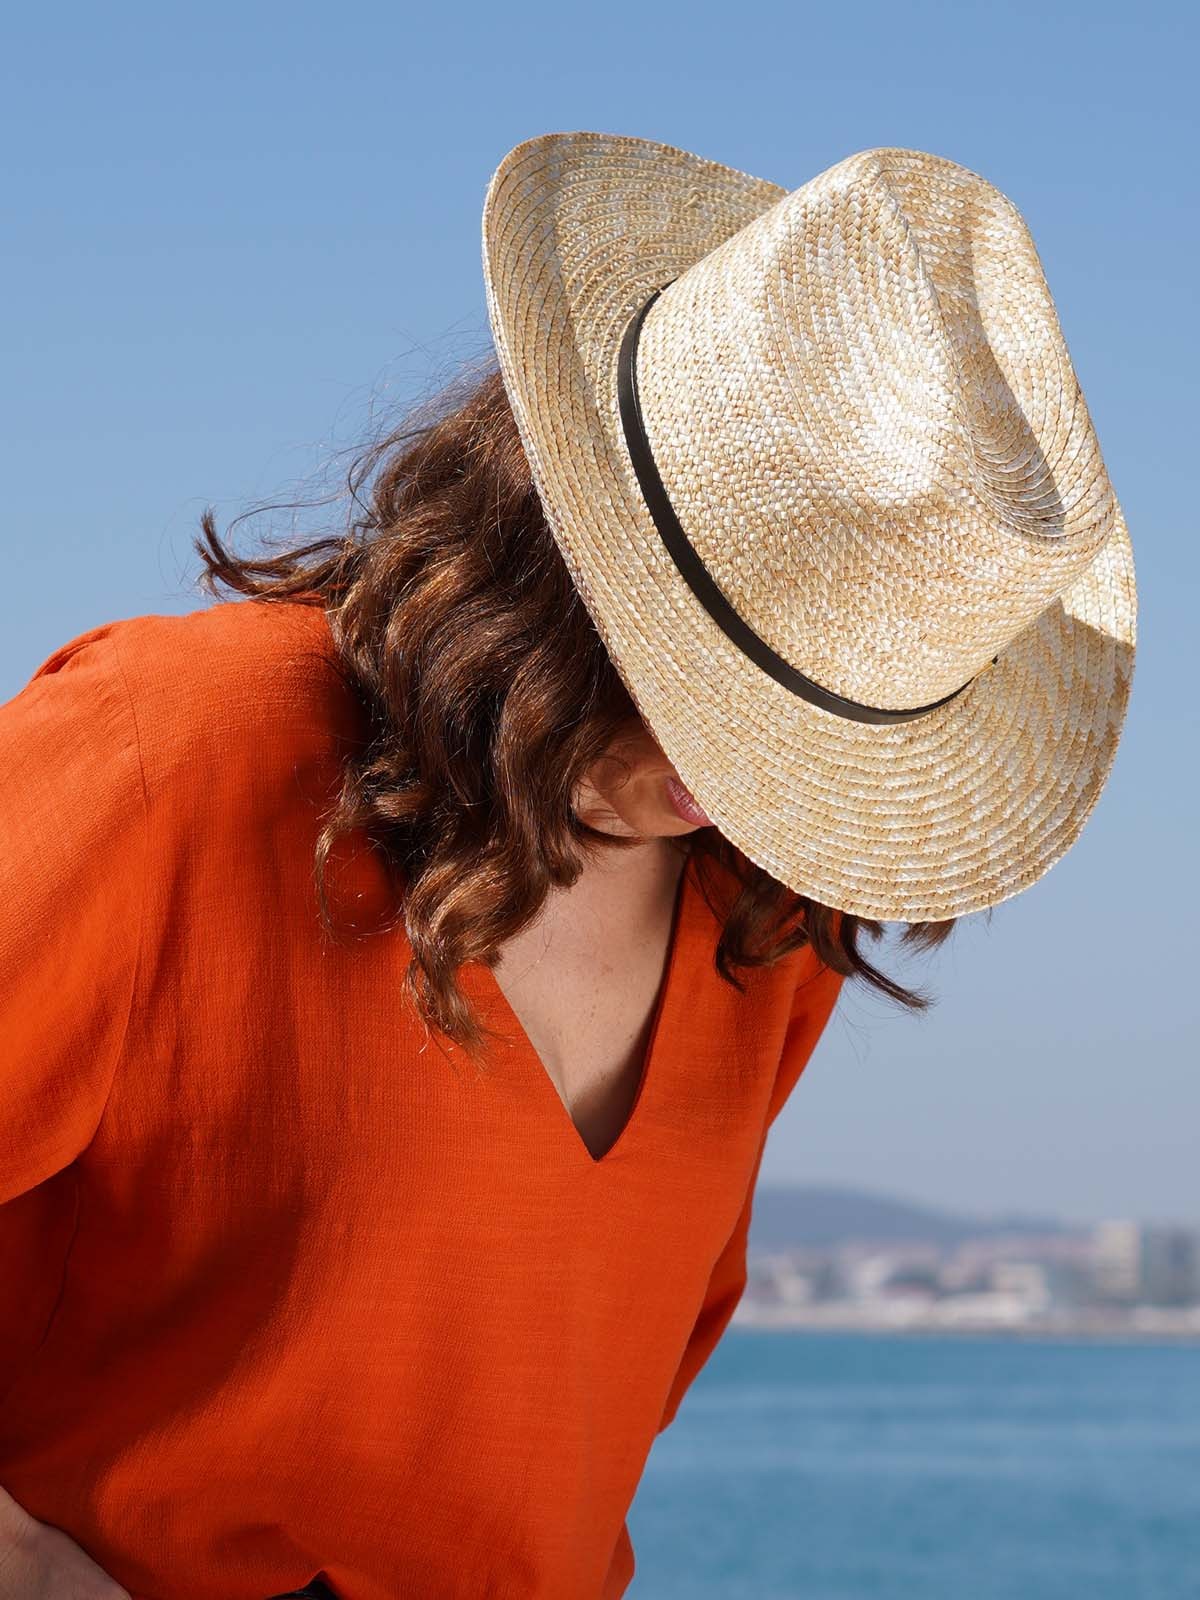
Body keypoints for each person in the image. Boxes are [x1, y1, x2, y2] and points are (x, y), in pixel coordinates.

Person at [0, 132, 1135, 1599]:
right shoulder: (182, 749)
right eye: (717, 675)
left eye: (814, 724)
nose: (736, 776)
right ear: (564, 524)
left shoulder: (762, 920)